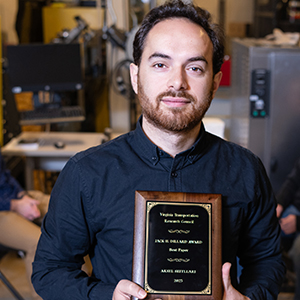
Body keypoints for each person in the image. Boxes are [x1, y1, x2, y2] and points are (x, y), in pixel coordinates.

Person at [32, 1, 285, 299]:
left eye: (194, 67)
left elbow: (267, 262)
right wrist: (104, 296)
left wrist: (249, 297)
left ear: (215, 82)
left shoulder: (246, 170)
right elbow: (50, 270)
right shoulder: (87, 173)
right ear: (135, 77)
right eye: (160, 64)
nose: (177, 82)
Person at [0, 151, 49, 300]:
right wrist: (15, 205)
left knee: (69, 213)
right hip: (4, 209)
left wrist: (23, 197)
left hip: (13, 199)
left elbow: (6, 176)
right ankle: (42, 296)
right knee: (38, 242)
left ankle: (80, 287)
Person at [276, 157, 300, 299]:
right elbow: (292, 182)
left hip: (297, 220)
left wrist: (297, 223)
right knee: (252, 231)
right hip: (293, 210)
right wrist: (278, 204)